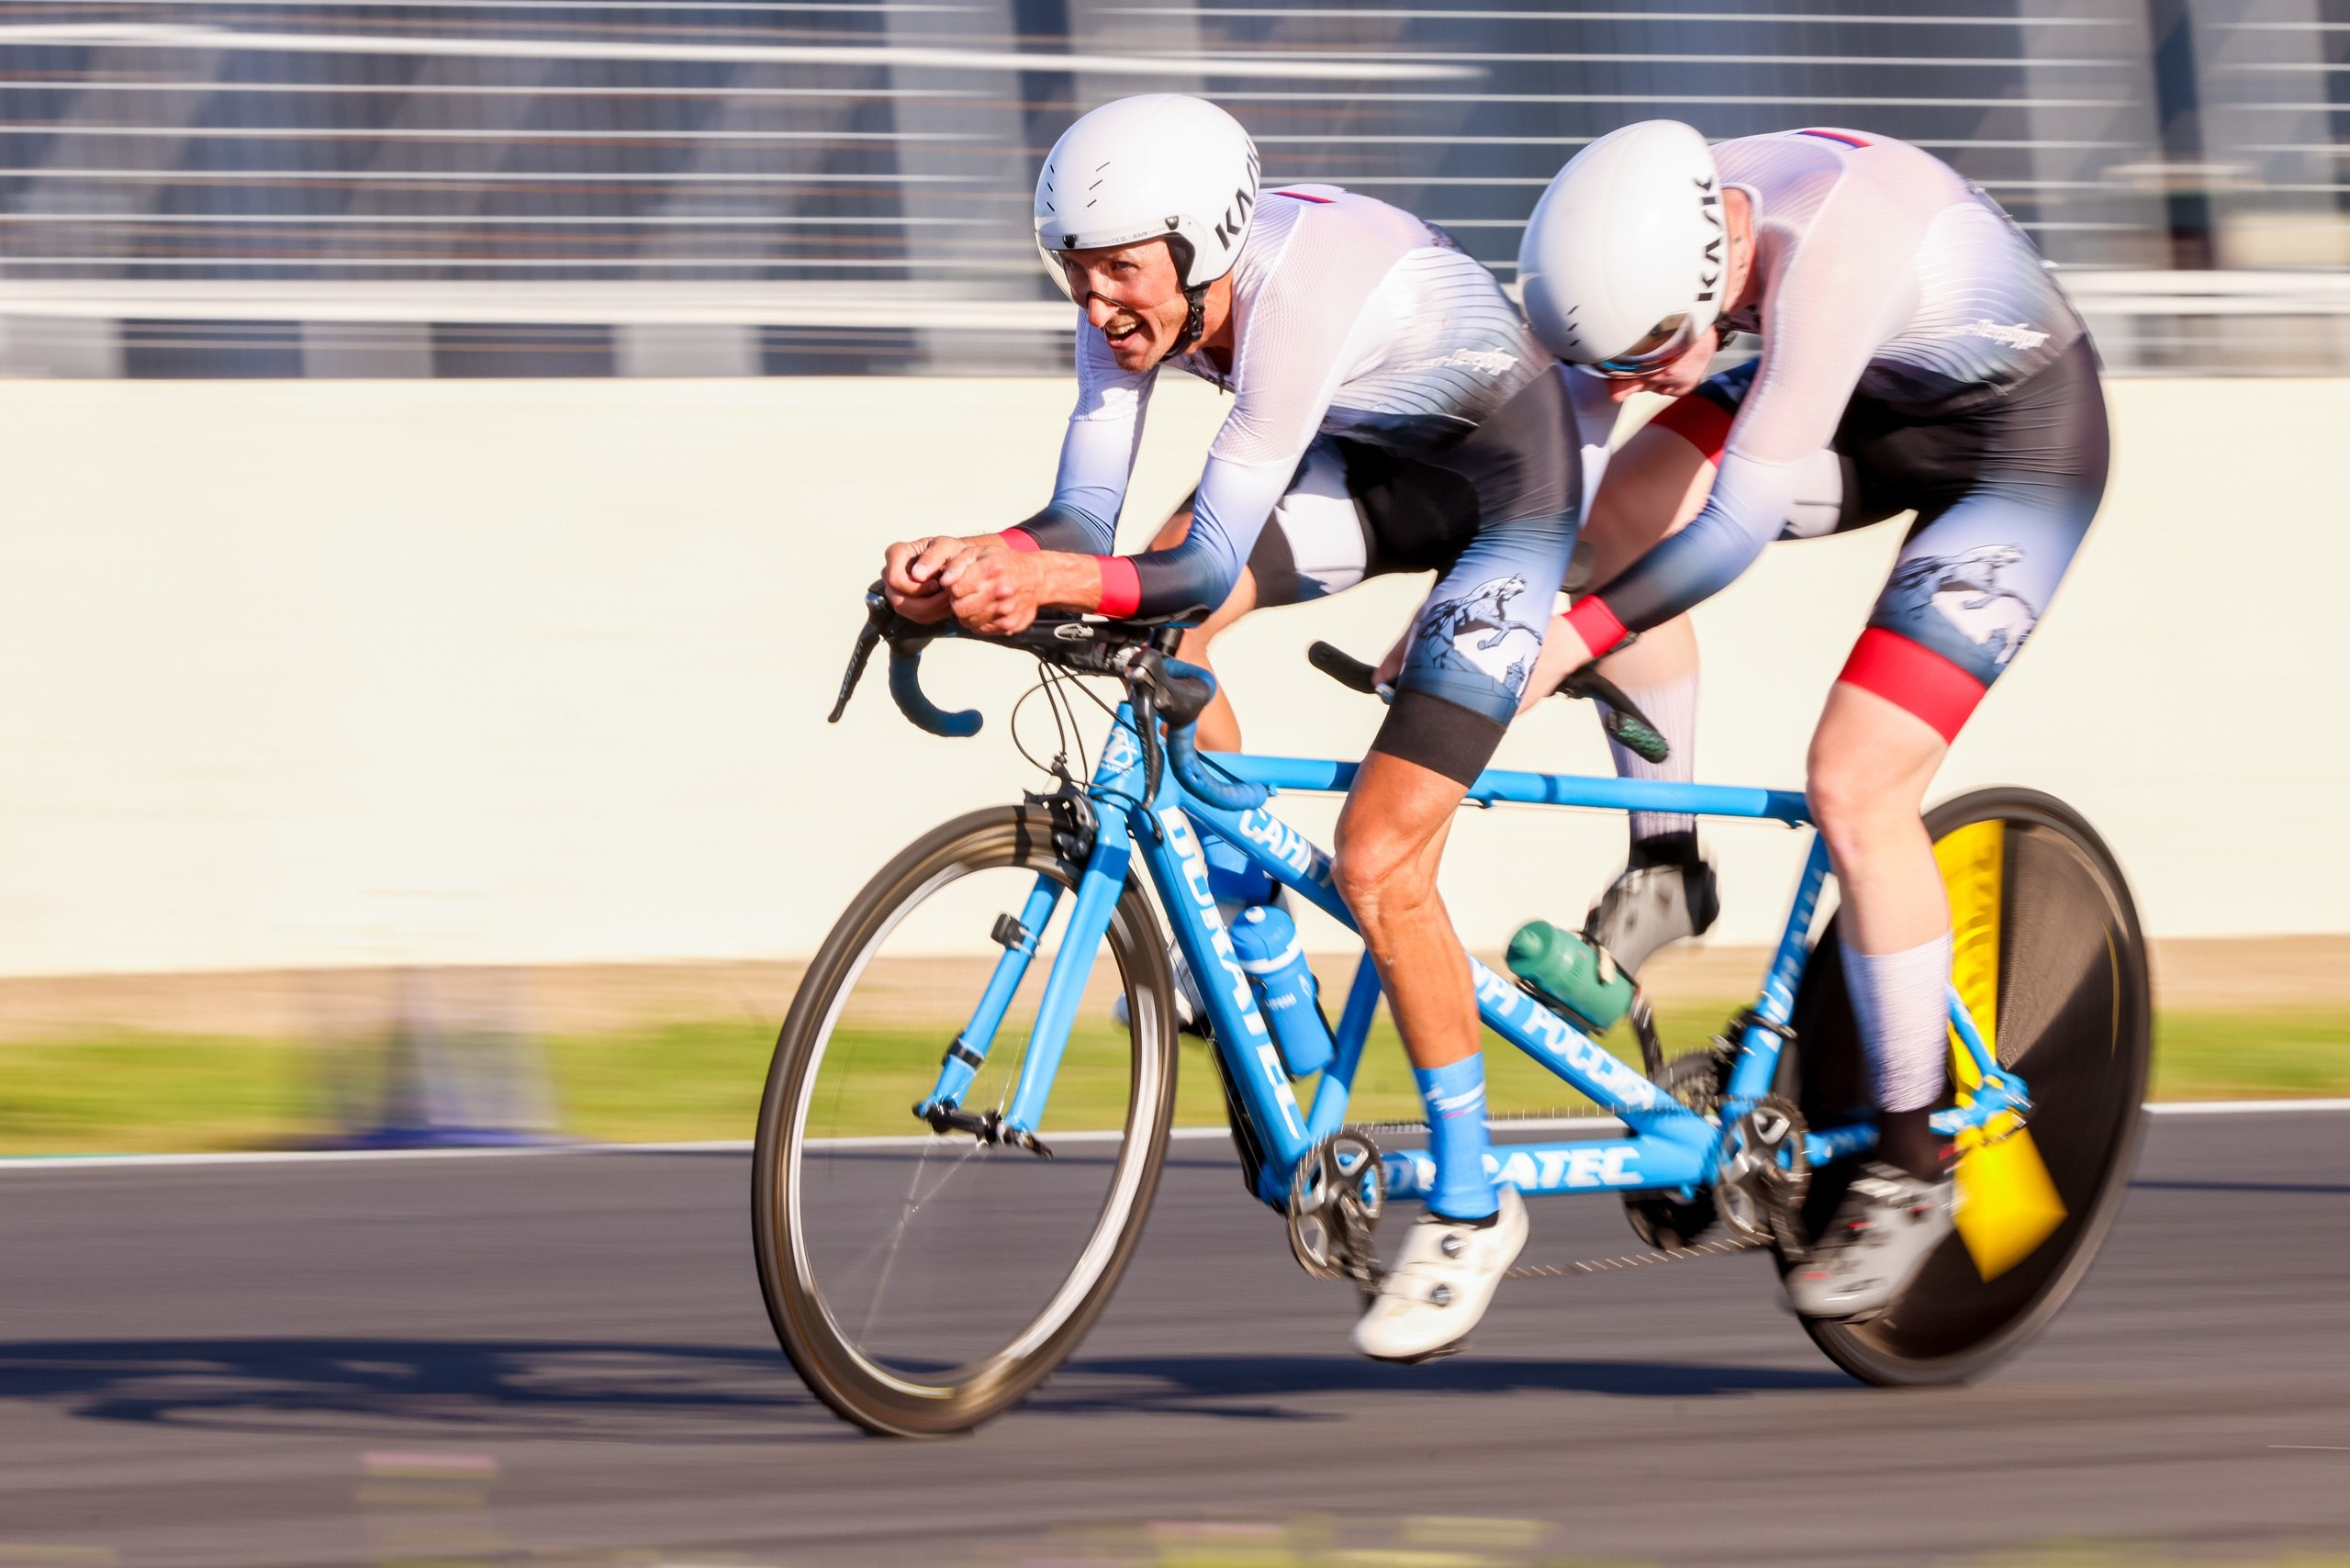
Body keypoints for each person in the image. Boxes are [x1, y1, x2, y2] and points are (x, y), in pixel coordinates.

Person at [881, 93, 1586, 1361]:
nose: (1096, 305)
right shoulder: (1138, 301)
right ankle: (1264, 977)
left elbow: (1203, 560)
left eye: (1118, 273)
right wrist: (962, 563)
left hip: (1502, 496)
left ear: (1203, 246)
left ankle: (1476, 1200)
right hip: (1367, 463)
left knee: (1379, 860)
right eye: (1075, 273)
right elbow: (1078, 528)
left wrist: (1040, 581)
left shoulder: (1303, 291)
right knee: (1156, 637)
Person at [1512, 121, 2109, 1320]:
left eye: (1644, 357)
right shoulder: (1639, 248)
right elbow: (1565, 472)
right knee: (1605, 530)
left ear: (1711, 276)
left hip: (2014, 447)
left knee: (1855, 780)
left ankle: (1909, 1161)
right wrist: (1503, 606)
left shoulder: (1838, 243)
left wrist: (1559, 648)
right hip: (1866, 398)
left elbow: (1728, 534)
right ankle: (1670, 866)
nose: (1626, 384)